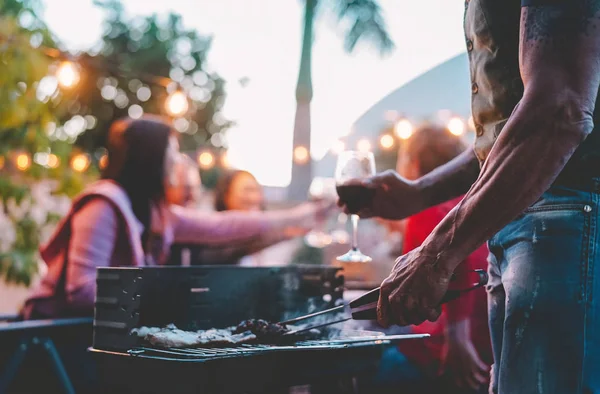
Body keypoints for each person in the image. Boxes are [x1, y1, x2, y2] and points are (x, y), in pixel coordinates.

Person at [338, 2, 600, 393]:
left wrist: (436, 252)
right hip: (527, 225)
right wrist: (418, 193)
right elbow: (504, 135)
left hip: (565, 225)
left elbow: (559, 109)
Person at [22, 116, 332, 319]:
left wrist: (302, 216)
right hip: (52, 339)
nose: (177, 161)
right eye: (171, 152)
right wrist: (164, 291)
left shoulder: (157, 213)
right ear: (151, 159)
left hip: (100, 342)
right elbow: (80, 293)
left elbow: (225, 226)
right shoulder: (103, 205)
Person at [393, 125, 491, 393]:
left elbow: (460, 263)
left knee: (354, 363)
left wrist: (458, 336)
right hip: (490, 350)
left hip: (446, 354)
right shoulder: (481, 204)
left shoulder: (427, 212)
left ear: (413, 165)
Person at [213, 169, 302, 266]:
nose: (255, 197)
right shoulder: (214, 238)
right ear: (226, 196)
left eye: (257, 190)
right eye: (247, 190)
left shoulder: (270, 241)